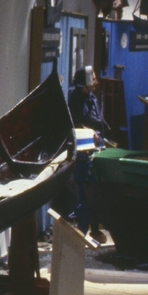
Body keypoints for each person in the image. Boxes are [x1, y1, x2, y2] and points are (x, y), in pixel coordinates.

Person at [66, 67, 107, 243]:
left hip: (96, 143)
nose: (96, 81)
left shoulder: (91, 97)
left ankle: (95, 227)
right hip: (84, 147)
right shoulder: (76, 99)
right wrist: (90, 132)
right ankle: (82, 228)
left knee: (96, 187)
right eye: (93, 78)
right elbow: (77, 122)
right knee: (83, 188)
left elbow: (97, 119)